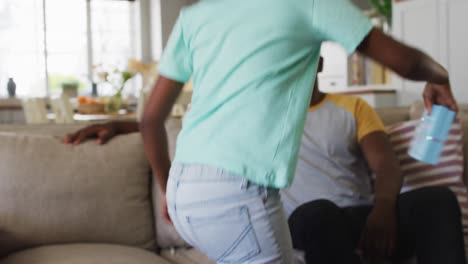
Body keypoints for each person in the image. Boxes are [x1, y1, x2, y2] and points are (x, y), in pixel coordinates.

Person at [67, 0, 458, 262]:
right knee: (308, 222)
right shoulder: (309, 4)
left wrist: (168, 187)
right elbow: (405, 62)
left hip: (187, 192)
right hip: (236, 195)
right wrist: (440, 75)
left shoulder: (198, 15)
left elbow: (151, 120)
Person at [281, 58, 466, 264]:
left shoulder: (354, 107)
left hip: (357, 218)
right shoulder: (266, 116)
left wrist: (383, 210)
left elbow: (387, 166)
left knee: (438, 200)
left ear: (320, 63)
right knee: (319, 213)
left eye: (303, 54)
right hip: (307, 220)